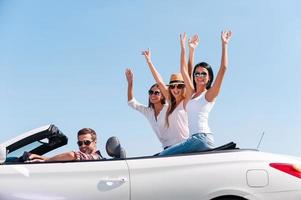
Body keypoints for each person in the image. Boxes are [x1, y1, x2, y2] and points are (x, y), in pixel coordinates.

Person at [159, 31, 232, 156]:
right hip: (194, 139)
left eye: (204, 73)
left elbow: (223, 68)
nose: (200, 76)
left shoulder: (209, 95)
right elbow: (183, 69)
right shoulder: (191, 93)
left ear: (209, 78)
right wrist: (187, 49)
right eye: (197, 73)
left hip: (201, 138)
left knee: (163, 155)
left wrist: (224, 44)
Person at [141, 49, 189, 148]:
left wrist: (185, 49)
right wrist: (149, 61)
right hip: (172, 147)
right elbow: (159, 81)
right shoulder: (170, 102)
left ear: (184, 87)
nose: (175, 89)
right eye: (172, 86)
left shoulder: (186, 101)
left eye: (179, 86)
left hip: (185, 144)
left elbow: (186, 70)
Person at [126, 68, 172, 149]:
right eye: (150, 92)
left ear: (162, 96)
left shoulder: (169, 108)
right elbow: (131, 102)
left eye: (156, 93)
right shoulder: (149, 112)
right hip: (166, 148)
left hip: (178, 146)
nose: (152, 95)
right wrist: (130, 83)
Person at [28, 128, 103, 162]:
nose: (83, 146)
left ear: (95, 142)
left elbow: (72, 155)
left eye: (86, 142)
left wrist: (47, 159)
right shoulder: (85, 160)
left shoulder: (97, 158)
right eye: (80, 143)